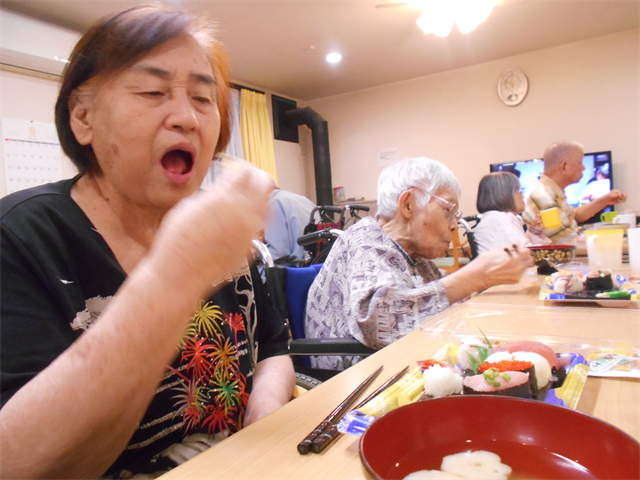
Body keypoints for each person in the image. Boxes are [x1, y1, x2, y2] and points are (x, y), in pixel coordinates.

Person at [0, 6, 295, 479]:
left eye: (203, 99)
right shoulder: (22, 237)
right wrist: (175, 275)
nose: (186, 118)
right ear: (83, 117)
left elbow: (274, 347)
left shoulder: (222, 226)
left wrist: (262, 423)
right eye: (153, 92)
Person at [305, 157, 533, 371]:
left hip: (403, 364)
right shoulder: (364, 238)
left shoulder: (413, 256)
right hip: (357, 381)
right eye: (449, 210)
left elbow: (443, 300)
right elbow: (376, 322)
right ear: (407, 205)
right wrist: (476, 276)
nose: (455, 225)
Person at [522, 141, 626, 244]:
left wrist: (605, 199)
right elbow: (567, 242)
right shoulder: (544, 196)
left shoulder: (551, 192)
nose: (583, 167)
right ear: (564, 166)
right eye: (580, 162)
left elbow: (575, 216)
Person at [474, 172, 551, 254]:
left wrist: (533, 232)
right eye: (518, 190)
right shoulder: (500, 220)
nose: (522, 195)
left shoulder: (497, 218)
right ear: (505, 195)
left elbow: (519, 249)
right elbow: (525, 254)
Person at [264, 179, 317, 265]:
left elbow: (278, 252)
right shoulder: (304, 199)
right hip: (315, 267)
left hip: (294, 272)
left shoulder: (273, 203)